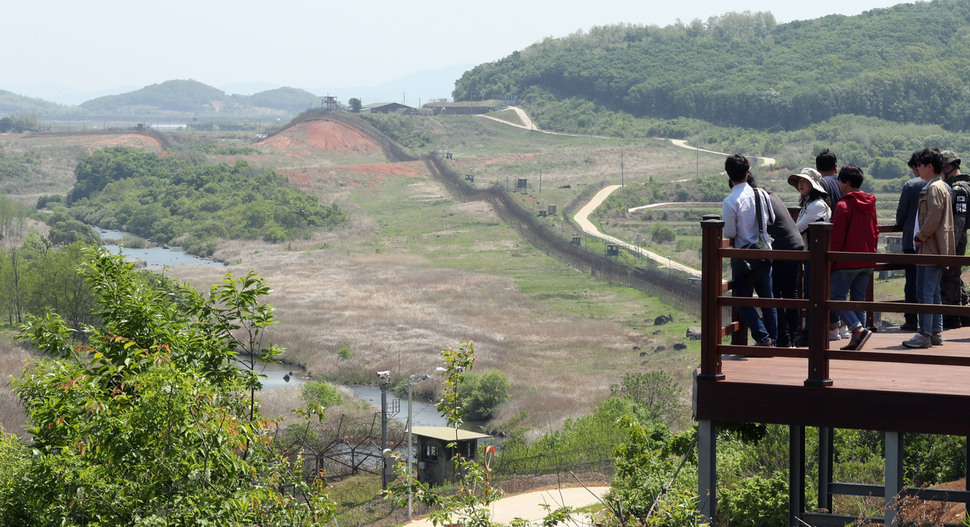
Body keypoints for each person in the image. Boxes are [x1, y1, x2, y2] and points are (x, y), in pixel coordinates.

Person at [722, 154, 777, 346]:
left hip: (744, 258)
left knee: (742, 301)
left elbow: (730, 232)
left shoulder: (730, 201)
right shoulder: (761, 194)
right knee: (768, 301)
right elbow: (772, 220)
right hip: (765, 252)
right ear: (747, 172)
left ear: (728, 174)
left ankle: (763, 338)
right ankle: (773, 341)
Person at [903, 148, 955, 349]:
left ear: (930, 167)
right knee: (932, 292)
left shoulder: (933, 188)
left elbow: (933, 216)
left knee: (925, 292)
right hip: (936, 247)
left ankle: (925, 333)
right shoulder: (942, 186)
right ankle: (935, 332)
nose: (918, 169)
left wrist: (920, 236)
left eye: (920, 166)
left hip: (929, 247)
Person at [829, 164, 878, 351]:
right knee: (858, 299)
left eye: (840, 181)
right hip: (867, 259)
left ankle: (858, 330)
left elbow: (836, 238)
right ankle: (857, 340)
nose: (839, 184)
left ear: (847, 183)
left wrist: (832, 261)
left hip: (847, 261)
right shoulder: (870, 204)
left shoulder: (843, 205)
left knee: (834, 296)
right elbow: (875, 231)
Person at [751, 177, 804, 347]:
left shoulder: (757, 197)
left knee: (774, 293)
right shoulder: (771, 195)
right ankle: (792, 339)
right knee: (791, 292)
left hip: (783, 247)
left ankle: (783, 338)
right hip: (796, 244)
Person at [788, 167, 831, 346]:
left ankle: (811, 333)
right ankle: (810, 332)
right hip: (811, 253)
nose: (801, 184)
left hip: (816, 255)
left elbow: (799, 228)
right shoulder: (809, 204)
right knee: (810, 293)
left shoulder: (817, 205)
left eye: (805, 181)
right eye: (799, 181)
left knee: (813, 293)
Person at [814, 149, 849, 339]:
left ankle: (832, 327)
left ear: (817, 168)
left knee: (824, 287)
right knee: (838, 287)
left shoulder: (819, 185)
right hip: (842, 241)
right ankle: (844, 326)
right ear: (836, 167)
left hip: (825, 242)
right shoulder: (842, 183)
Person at [895, 152, 925, 331]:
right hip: (931, 242)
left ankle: (912, 320)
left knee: (911, 281)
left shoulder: (910, 185)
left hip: (910, 241)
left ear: (916, 167)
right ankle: (930, 321)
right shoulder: (941, 185)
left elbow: (900, 215)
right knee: (929, 282)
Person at [941, 150, 969, 329]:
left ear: (948, 167)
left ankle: (953, 318)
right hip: (961, 237)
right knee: (955, 276)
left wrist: (949, 247)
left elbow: (958, 220)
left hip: (956, 238)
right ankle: (962, 314)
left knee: (950, 277)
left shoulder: (958, 188)